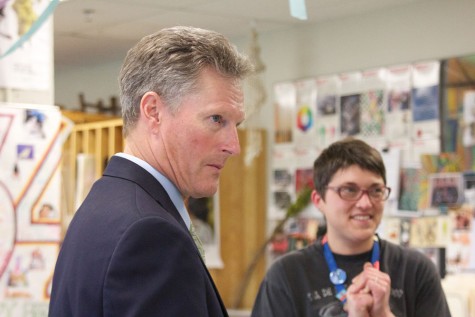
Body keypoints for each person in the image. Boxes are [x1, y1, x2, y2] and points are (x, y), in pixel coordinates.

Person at [49, 26, 253, 317]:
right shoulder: (150, 234)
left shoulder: (103, 205)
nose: (234, 146)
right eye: (216, 119)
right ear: (154, 111)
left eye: (237, 125)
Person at [251, 138, 452, 317]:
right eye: (349, 190)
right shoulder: (287, 275)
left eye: (375, 190)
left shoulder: (416, 270)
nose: (365, 203)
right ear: (318, 200)